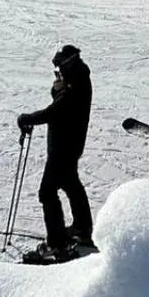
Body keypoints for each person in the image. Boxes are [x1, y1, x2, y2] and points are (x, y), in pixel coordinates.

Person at [16, 44, 94, 262]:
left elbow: (55, 111)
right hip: (70, 145)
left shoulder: (74, 86)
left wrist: (26, 118)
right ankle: (82, 229)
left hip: (63, 148)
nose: (58, 71)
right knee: (71, 183)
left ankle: (57, 245)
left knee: (47, 192)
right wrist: (59, 89)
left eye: (59, 66)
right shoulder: (78, 78)